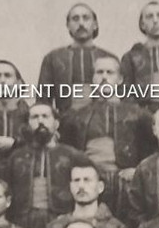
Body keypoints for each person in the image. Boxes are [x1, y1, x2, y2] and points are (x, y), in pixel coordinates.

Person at [59, 55, 151, 217]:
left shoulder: (137, 114)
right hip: (89, 181)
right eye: (99, 72)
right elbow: (66, 151)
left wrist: (137, 170)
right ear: (93, 78)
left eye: (110, 72)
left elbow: (153, 148)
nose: (104, 77)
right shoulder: (77, 116)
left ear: (120, 79)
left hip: (125, 183)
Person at [6, 102, 87, 228]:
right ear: (27, 125)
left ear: (56, 124)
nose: (40, 121)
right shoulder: (16, 157)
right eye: (35, 117)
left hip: (62, 221)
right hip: (23, 222)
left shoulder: (72, 156)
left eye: (45, 116)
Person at [37, 2, 114, 115]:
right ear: (68, 25)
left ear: (95, 24)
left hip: (100, 123)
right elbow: (43, 99)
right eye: (75, 19)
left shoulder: (108, 58)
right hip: (65, 122)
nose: (81, 23)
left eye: (86, 18)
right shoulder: (53, 58)